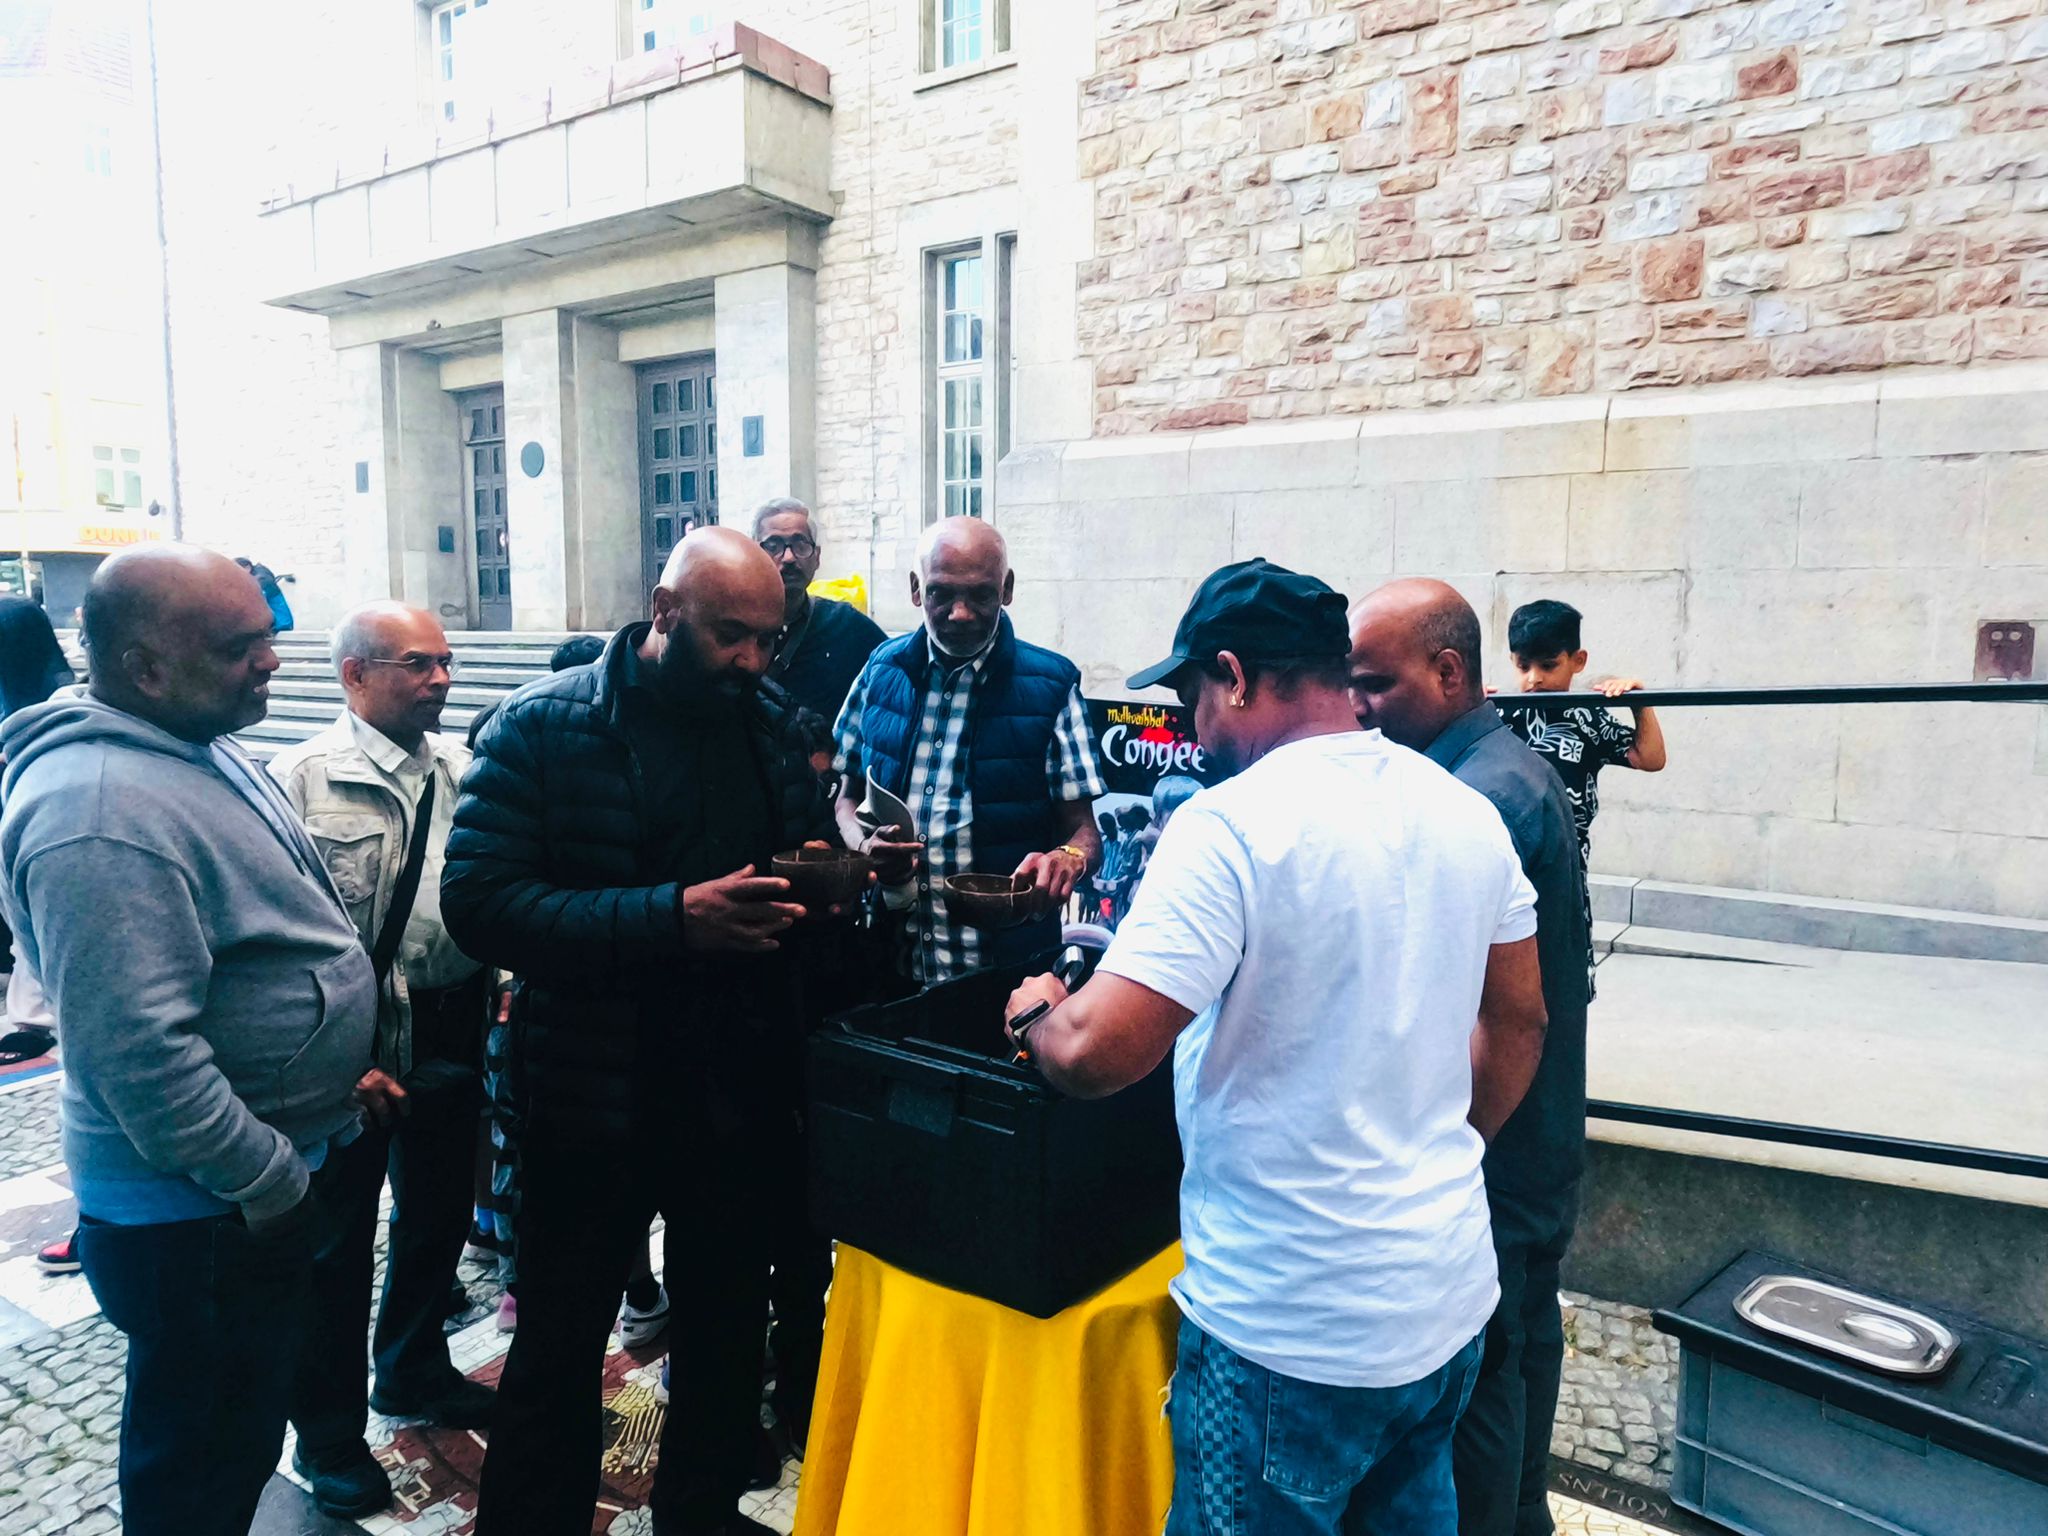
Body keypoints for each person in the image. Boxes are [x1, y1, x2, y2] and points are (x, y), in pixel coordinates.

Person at [1002, 558, 1550, 1536]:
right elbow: (1520, 1022)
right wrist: (1435, 1151)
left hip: (1287, 1331)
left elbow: (1096, 1053)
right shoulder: (1462, 808)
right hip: (1442, 1304)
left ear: (1234, 674)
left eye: (1191, 697)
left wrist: (1036, 1013)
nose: (1191, 726)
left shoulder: (1228, 825)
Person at [444, 528, 843, 1536]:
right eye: (730, 635)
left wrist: (836, 876)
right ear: (664, 613)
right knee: (558, 1348)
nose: (752, 658)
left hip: (735, 1090)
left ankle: (698, 1517)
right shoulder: (542, 725)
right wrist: (670, 917)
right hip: (589, 1092)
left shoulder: (769, 723)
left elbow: (794, 865)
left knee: (723, 1337)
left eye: (768, 638)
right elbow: (480, 906)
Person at [0, 544, 377, 1536]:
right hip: (199, 1215)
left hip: (238, 1194)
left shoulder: (192, 740)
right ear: (146, 667)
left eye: (266, 636)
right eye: (238, 646)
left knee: (233, 1438)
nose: (272, 660)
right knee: (200, 1465)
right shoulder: (98, 811)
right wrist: (269, 1181)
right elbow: (141, 1060)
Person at [1348, 579, 1592, 1536]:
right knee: (1524, 1336)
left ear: (1449, 673)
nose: (1358, 705)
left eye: (1376, 683)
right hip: (1538, 1126)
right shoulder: (1506, 769)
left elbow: (1472, 1007)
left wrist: (1454, 1137)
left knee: (1487, 1366)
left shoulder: (1473, 798)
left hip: (1500, 1132)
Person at [267, 602, 494, 1517]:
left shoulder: (462, 769)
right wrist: (332, 1056)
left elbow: (486, 887)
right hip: (346, 1041)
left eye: (445, 661)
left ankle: (412, 1367)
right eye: (417, 663)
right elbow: (274, 943)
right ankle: (328, 1436)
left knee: (438, 1213)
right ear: (355, 674)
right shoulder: (301, 780)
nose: (441, 679)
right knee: (335, 1245)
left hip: (451, 1021)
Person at [831, 517, 1106, 984]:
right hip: (890, 969)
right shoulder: (880, 672)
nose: (960, 613)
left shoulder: (1053, 686)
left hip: (1009, 981)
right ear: (916, 589)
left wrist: (1067, 859)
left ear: (1007, 589)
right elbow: (845, 799)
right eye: (940, 593)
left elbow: (1084, 833)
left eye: (980, 594)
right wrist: (863, 846)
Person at [469, 630, 608, 1337]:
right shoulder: (519, 732)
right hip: (543, 1019)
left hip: (588, 1026)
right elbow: (486, 894)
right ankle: (513, 1276)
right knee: (513, 1144)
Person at [1503, 599, 1668, 866]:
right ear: (1512, 661)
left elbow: (1650, 759)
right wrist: (1462, 707)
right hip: (1505, 852)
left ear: (1578, 661)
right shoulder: (1498, 713)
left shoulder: (1587, 717)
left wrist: (1639, 703)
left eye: (1548, 665)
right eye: (1523, 667)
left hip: (1565, 860)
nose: (1534, 678)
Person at [754, 497, 887, 722]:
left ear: (816, 557)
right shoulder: (731, 629)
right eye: (773, 546)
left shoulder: (846, 626)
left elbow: (898, 674)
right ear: (753, 555)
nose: (789, 557)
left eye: (800, 545)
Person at [234, 555, 296, 632]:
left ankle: (281, 627)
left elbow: (261, 588)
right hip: (272, 598)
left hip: (273, 598)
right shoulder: (257, 573)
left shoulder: (261, 577)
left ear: (247, 567)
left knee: (280, 617)